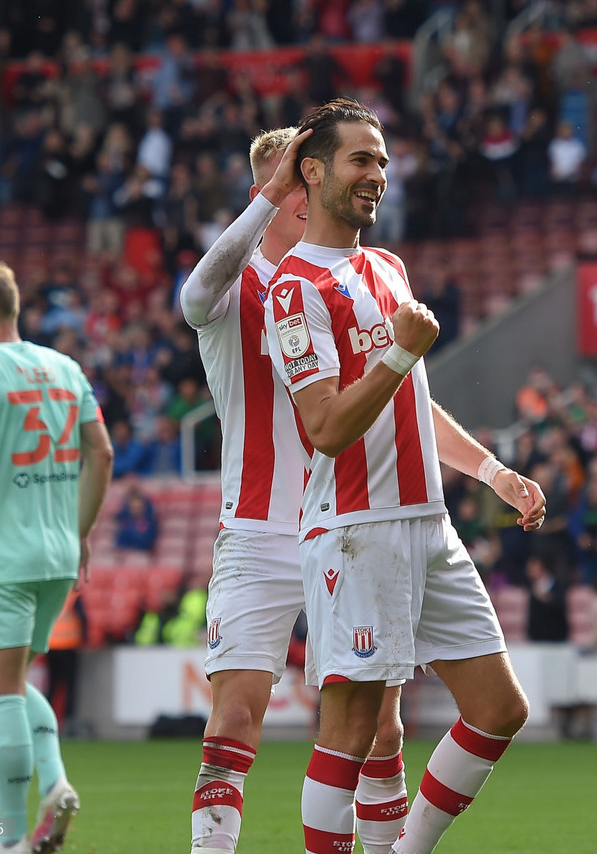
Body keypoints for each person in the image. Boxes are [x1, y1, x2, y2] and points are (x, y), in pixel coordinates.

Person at [265, 98, 546, 854]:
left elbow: (413, 399)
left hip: (429, 525)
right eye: (361, 159)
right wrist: (398, 354)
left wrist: (491, 471)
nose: (378, 175)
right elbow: (325, 426)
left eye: (384, 161)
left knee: (499, 708)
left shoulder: (385, 266)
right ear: (314, 171)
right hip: (357, 532)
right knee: (353, 730)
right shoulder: (292, 290)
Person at [178, 125, 408, 854]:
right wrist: (270, 192)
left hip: (348, 521)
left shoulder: (344, 284)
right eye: (289, 186)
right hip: (256, 532)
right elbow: (195, 291)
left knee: (379, 727)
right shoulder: (232, 289)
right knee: (234, 721)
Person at [0, 262, 114, 854]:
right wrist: (82, 529)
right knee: (11, 679)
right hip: (58, 553)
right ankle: (56, 782)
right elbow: (103, 452)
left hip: (2, 556)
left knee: (1, 691)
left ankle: (11, 839)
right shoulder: (66, 368)